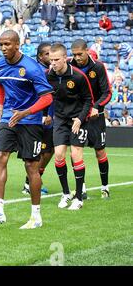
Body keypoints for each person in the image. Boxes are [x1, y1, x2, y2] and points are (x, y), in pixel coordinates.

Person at [0, 30, 53, 229]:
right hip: (8, 119)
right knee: (0, 157)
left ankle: (36, 216)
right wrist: (0, 112)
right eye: (1, 44)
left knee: (31, 166)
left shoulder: (31, 67)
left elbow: (47, 97)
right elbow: (2, 87)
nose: (3, 48)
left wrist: (25, 112)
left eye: (7, 44)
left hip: (30, 120)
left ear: (17, 44)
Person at [47, 43, 93, 210]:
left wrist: (80, 119)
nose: (53, 63)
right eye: (51, 60)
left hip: (77, 119)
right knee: (58, 155)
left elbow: (89, 100)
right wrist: (46, 114)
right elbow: (44, 96)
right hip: (60, 119)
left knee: (76, 155)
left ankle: (79, 197)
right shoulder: (48, 75)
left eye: (56, 60)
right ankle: (66, 193)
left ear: (65, 58)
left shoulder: (79, 76)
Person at [70, 39, 112, 199]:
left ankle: (105, 187)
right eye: (74, 54)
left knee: (100, 151)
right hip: (77, 116)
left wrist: (97, 106)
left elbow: (106, 92)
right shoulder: (69, 66)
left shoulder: (98, 67)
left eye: (80, 54)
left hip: (96, 117)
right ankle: (82, 189)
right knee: (75, 152)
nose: (77, 57)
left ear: (87, 50)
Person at [22, 42, 53, 196]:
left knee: (49, 151)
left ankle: (33, 180)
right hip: (38, 118)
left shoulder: (50, 70)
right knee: (41, 152)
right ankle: (30, 183)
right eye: (47, 53)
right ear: (40, 56)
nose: (51, 56)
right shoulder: (38, 71)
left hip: (49, 117)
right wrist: (45, 114)